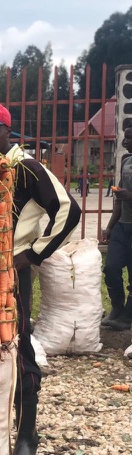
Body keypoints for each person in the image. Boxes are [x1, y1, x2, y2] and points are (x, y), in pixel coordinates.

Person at [0, 102, 82, 455]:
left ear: (8, 132)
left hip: (10, 272)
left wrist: (34, 254)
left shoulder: (27, 168)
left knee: (17, 344)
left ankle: (26, 433)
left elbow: (68, 210)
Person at [101, 126, 132, 330]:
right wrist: (110, 227)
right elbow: (119, 200)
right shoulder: (126, 161)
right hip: (122, 225)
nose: (125, 141)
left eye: (130, 137)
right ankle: (117, 308)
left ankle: (128, 317)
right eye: (125, 137)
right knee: (111, 268)